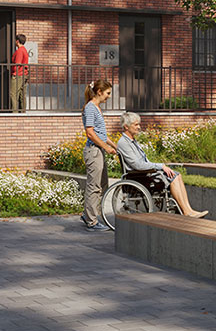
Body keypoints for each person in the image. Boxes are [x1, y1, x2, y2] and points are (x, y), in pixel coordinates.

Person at [115, 112, 208, 219]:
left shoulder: (132, 141)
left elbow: (143, 162)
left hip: (143, 173)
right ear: (126, 126)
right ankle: (186, 211)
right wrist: (160, 166)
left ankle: (189, 209)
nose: (139, 127)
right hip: (138, 176)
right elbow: (137, 165)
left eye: (138, 124)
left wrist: (158, 166)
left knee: (177, 175)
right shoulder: (124, 143)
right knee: (172, 177)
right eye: (136, 125)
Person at [81, 79, 118, 232]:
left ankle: (89, 215)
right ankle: (91, 221)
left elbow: (101, 133)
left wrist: (114, 145)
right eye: (108, 93)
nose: (109, 96)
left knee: (102, 185)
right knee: (94, 186)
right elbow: (90, 133)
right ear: (99, 92)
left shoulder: (96, 108)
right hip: (93, 151)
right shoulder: (90, 108)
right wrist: (106, 148)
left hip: (98, 150)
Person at [9, 33, 30, 113]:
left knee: (13, 94)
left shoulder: (19, 51)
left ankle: (14, 113)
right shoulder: (24, 50)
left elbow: (17, 63)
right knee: (22, 94)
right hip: (24, 74)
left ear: (17, 41)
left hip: (18, 75)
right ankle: (22, 112)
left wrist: (14, 73)